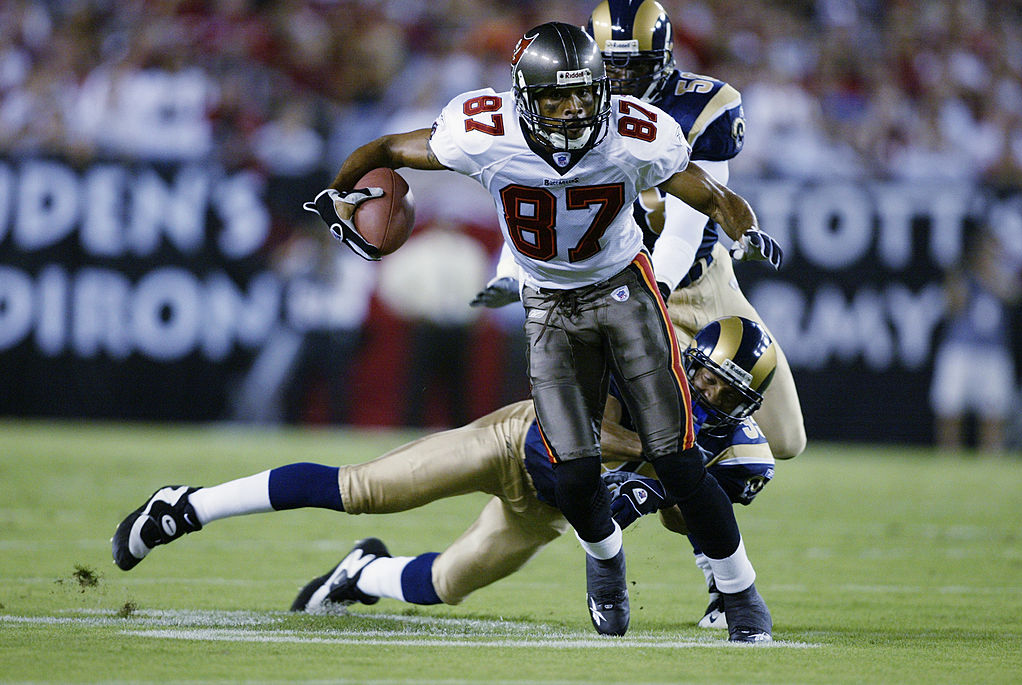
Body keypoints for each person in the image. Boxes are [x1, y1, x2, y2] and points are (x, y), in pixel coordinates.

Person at [299, 21, 781, 639]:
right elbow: (388, 148)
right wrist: (339, 196)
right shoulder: (485, 131)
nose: (575, 108)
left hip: (625, 294)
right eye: (557, 95)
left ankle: (741, 597)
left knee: (679, 458)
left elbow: (706, 190)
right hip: (551, 307)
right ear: (525, 95)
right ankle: (607, 565)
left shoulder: (632, 132)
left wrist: (742, 225)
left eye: (585, 92)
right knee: (576, 472)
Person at [111, 316, 779, 642]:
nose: (703, 390)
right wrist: (635, 482)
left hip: (547, 513)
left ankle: (358, 576)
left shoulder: (729, 447)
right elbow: (574, 438)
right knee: (361, 488)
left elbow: (692, 511)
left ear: (742, 406)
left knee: (446, 583)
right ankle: (187, 506)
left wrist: (701, 542)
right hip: (517, 444)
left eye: (722, 391)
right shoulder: (641, 367)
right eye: (703, 373)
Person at [474, 2, 805, 462]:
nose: (625, 77)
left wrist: (658, 295)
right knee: (638, 440)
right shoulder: (567, 110)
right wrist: (510, 269)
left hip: (695, 279)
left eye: (638, 64)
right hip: (614, 290)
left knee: (786, 439)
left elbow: (684, 230)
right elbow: (532, 199)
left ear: (666, 58)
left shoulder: (702, 108)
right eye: (613, 64)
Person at [929, 226, 1021, 452]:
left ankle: (991, 456)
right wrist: (965, 277)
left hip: (993, 351)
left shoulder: (1003, 275)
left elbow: (1013, 296)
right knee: (950, 408)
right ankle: (948, 455)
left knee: (993, 410)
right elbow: (952, 307)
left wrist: (991, 276)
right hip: (960, 348)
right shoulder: (962, 274)